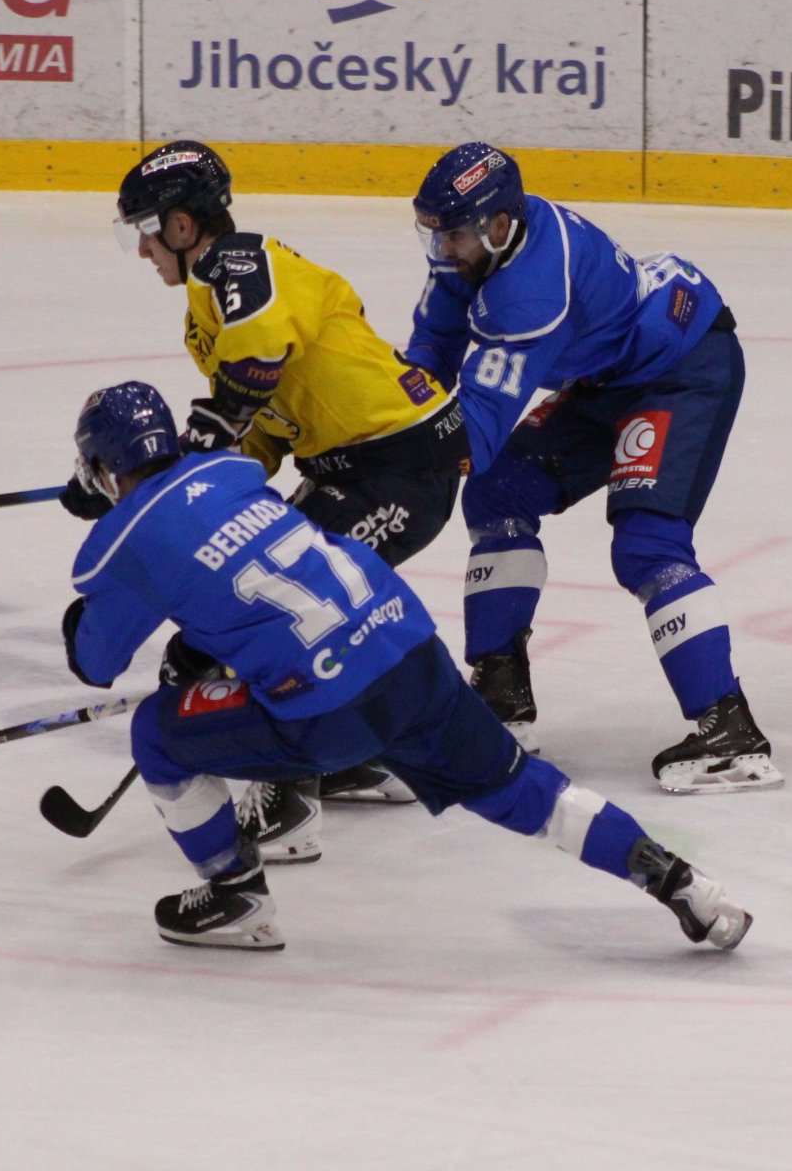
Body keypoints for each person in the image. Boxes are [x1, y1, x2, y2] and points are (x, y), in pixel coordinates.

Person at [58, 381, 752, 952]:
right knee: (520, 788)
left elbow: (95, 660)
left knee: (156, 732)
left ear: (103, 470)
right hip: (410, 656)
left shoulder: (126, 539)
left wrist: (105, 549)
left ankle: (235, 898)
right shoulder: (230, 474)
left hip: (328, 713)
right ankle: (680, 882)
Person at [65, 139, 470, 838]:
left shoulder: (239, 264)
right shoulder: (205, 311)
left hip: (401, 464)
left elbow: (255, 365)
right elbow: (256, 439)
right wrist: (146, 484)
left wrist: (202, 440)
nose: (144, 251)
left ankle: (287, 797)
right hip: (358, 469)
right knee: (234, 616)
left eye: (148, 232)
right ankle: (360, 755)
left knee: (262, 611)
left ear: (182, 225)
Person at [404, 143, 783, 795]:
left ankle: (731, 733)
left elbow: (475, 433)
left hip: (681, 370)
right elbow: (433, 347)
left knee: (647, 543)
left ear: (499, 226)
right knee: (497, 496)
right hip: (608, 376)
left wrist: (391, 456)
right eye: (436, 235)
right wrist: (394, 413)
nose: (444, 250)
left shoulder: (530, 294)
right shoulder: (476, 249)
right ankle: (501, 700)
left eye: (456, 236)